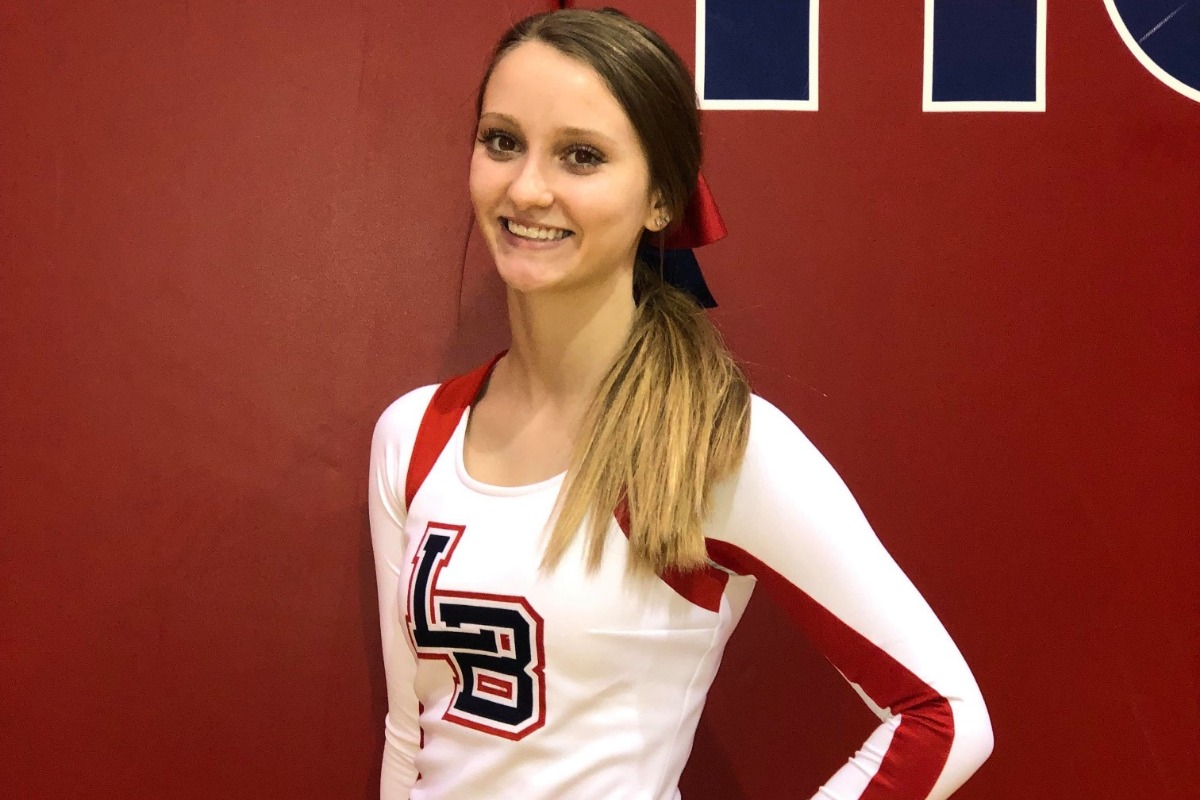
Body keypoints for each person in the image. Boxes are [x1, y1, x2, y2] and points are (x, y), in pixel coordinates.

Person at [369, 8, 993, 799]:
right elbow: (410, 737)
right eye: (502, 141)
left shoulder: (711, 446)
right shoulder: (413, 435)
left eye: (581, 155)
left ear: (662, 197)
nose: (526, 187)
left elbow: (944, 715)